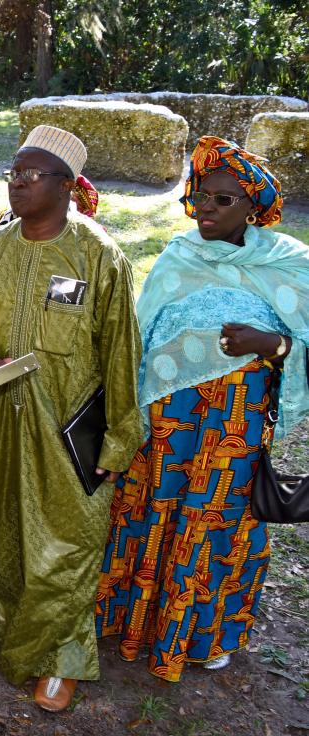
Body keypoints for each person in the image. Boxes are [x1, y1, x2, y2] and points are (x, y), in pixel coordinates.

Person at [0, 125, 143, 712]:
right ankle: (3, 622)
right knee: (3, 532)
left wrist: (118, 441)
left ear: (67, 185)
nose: (17, 185)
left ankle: (62, 657)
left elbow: (122, 354)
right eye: (13, 173)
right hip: (3, 421)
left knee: (69, 542)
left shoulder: (99, 256)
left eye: (32, 175)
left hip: (69, 429)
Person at [98, 136, 309, 681]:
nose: (207, 211)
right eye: (200, 199)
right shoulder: (177, 255)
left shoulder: (287, 264)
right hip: (169, 424)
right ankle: (134, 625)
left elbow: (300, 341)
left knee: (213, 521)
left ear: (253, 207)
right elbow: (141, 337)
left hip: (233, 426)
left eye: (223, 200)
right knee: (153, 511)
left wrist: (272, 344)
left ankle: (195, 636)